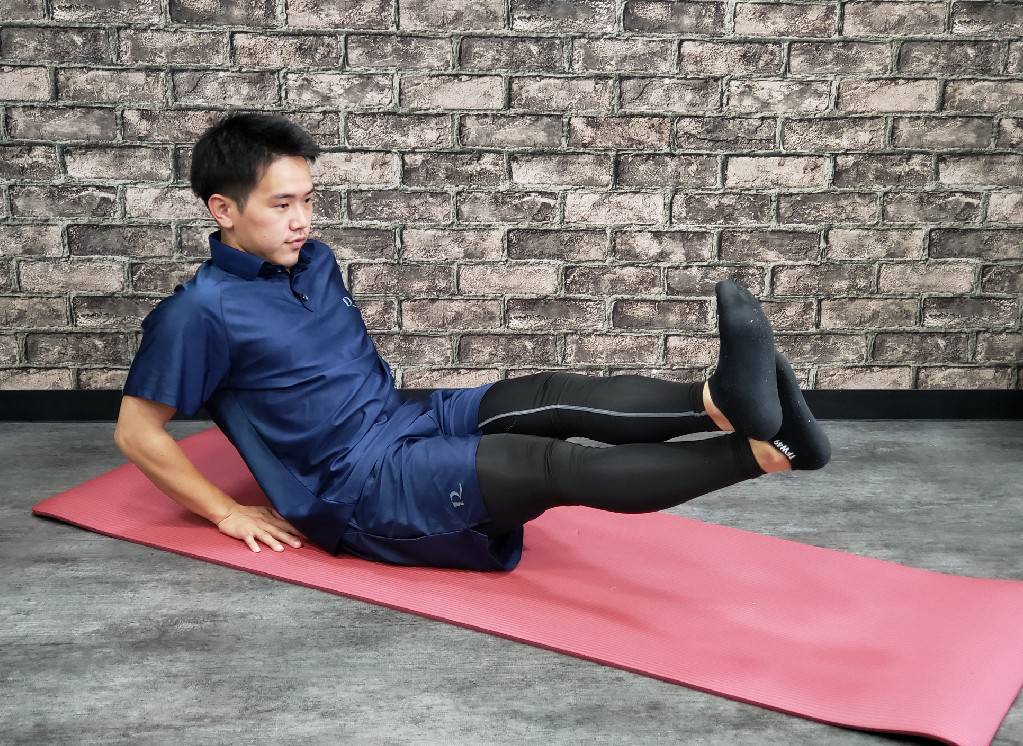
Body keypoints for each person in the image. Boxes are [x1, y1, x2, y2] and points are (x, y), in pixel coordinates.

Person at [114, 112, 830, 573]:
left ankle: (718, 400)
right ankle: (766, 452)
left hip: (403, 419)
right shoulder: (198, 314)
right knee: (542, 462)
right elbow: (136, 432)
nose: (302, 220)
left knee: (548, 395)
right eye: (281, 205)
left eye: (307, 199)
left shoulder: (313, 261)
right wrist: (227, 511)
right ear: (223, 209)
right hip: (362, 488)